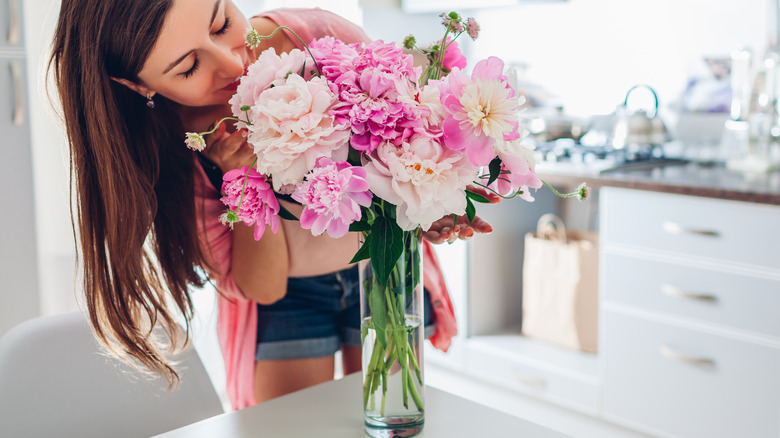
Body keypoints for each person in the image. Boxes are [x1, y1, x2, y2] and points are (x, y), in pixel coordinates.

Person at [49, 0, 493, 411]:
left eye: (222, 22)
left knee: (392, 415)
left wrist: (430, 212)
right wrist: (243, 179)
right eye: (188, 68)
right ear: (137, 85)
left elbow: (409, 140)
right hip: (288, 301)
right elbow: (265, 289)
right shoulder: (175, 152)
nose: (231, 62)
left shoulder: (315, 37)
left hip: (381, 267)